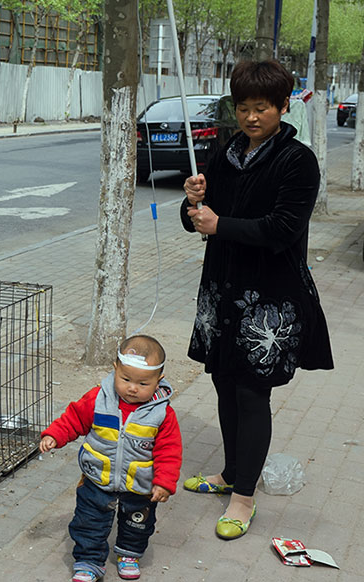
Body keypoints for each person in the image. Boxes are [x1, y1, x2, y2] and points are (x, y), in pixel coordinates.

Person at [180, 59, 333, 541]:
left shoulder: (297, 160)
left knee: (252, 392)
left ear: (284, 106)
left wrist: (220, 224)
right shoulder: (224, 150)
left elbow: (283, 229)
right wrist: (194, 204)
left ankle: (243, 496)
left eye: (261, 108)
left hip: (269, 297)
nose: (250, 117)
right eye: (243, 108)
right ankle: (229, 472)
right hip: (223, 289)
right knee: (224, 381)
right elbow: (200, 221)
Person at [40, 335, 181, 582]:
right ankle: (88, 560)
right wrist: (54, 435)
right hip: (97, 478)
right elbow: (74, 420)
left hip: (140, 485)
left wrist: (164, 482)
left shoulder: (162, 414)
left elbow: (169, 450)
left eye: (143, 383)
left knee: (138, 524)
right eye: (125, 379)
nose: (132, 388)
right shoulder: (98, 399)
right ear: (115, 369)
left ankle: (129, 553)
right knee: (88, 522)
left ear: (158, 381)